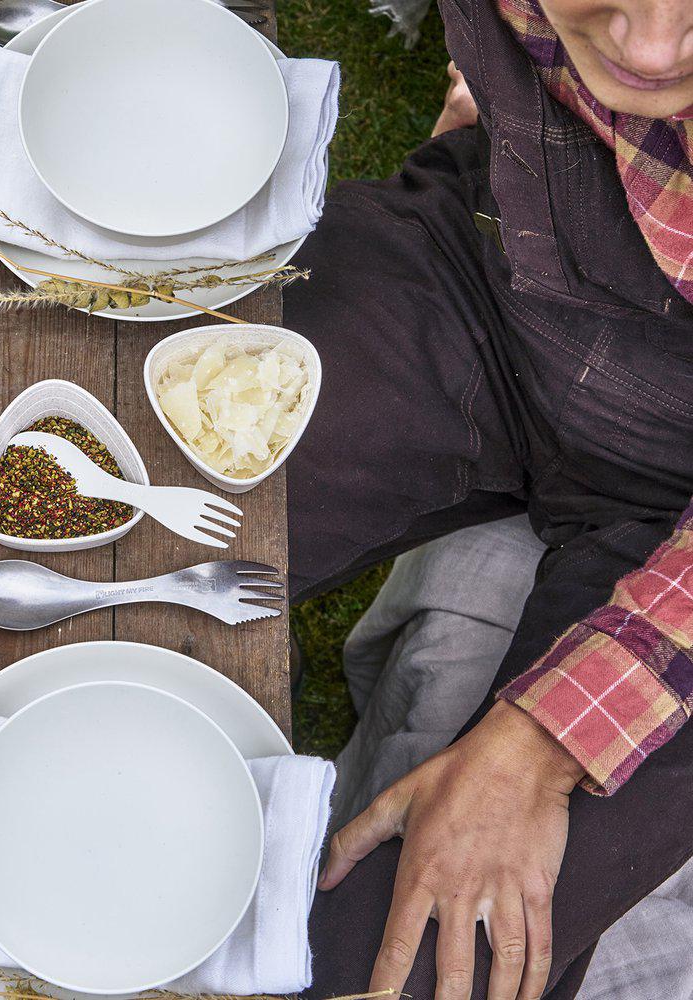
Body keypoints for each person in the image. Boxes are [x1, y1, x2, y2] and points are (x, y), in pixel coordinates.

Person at [284, 1, 693, 998]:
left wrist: (549, 738)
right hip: (495, 271)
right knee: (104, 518)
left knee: (398, 969)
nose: (646, 46)